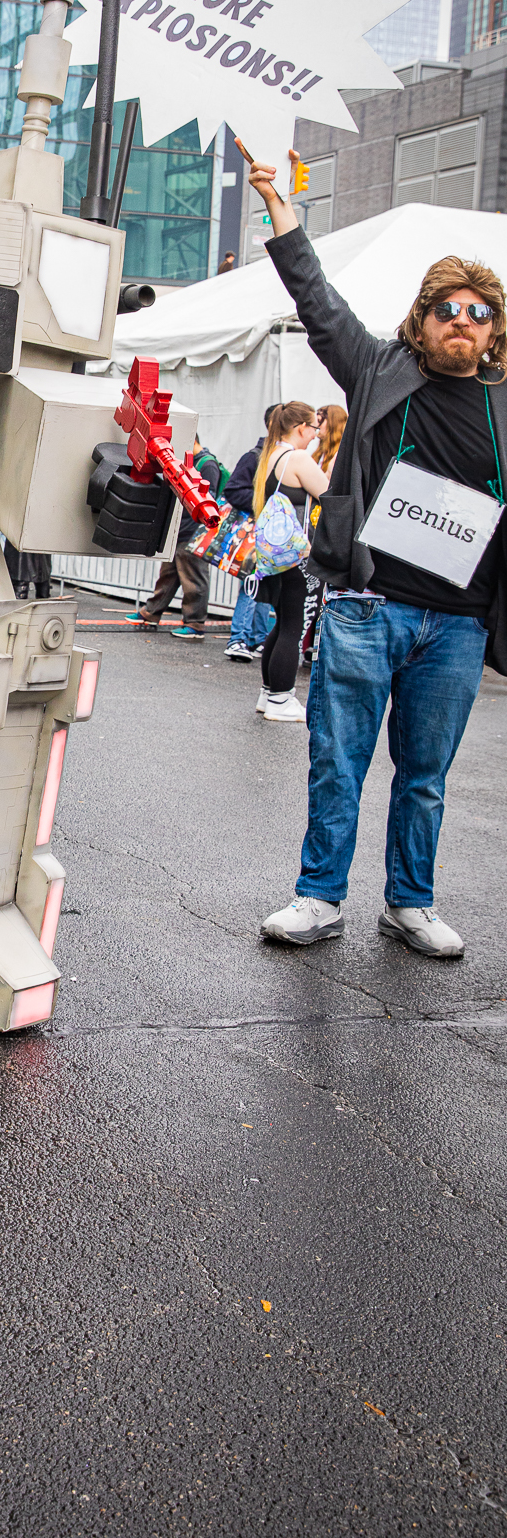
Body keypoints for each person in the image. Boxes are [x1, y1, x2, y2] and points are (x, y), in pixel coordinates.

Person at [242, 141, 507, 959]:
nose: (461, 321)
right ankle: (318, 896)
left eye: (478, 312)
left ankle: (409, 904)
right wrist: (280, 209)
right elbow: (318, 302)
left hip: (458, 622)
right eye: (446, 309)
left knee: (423, 779)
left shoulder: (503, 403)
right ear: (420, 320)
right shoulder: (376, 370)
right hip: (367, 605)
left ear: (493, 330)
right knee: (338, 762)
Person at [249, 401, 328, 721]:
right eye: (314, 428)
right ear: (301, 428)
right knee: (293, 627)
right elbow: (331, 495)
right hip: (300, 555)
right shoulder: (297, 458)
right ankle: (281, 699)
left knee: (283, 624)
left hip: (277, 556)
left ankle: (270, 693)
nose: (316, 435)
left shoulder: (271, 455)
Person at [129, 437, 226, 641]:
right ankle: (151, 612)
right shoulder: (196, 462)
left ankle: (195, 623)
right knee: (168, 575)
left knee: (194, 580)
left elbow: (208, 502)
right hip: (182, 530)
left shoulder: (207, 464)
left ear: (193, 440)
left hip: (193, 532)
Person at [223, 410, 279, 660]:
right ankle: (239, 638)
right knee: (253, 583)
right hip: (256, 532)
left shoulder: (280, 457)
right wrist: (266, 503)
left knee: (264, 584)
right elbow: (233, 490)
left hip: (272, 533)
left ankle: (257, 639)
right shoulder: (255, 457)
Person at [300, 405, 349, 660]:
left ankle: (317, 642)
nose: (317, 425)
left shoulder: (340, 454)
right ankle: (309, 642)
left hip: (326, 525)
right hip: (312, 525)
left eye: (322, 419)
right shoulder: (316, 452)